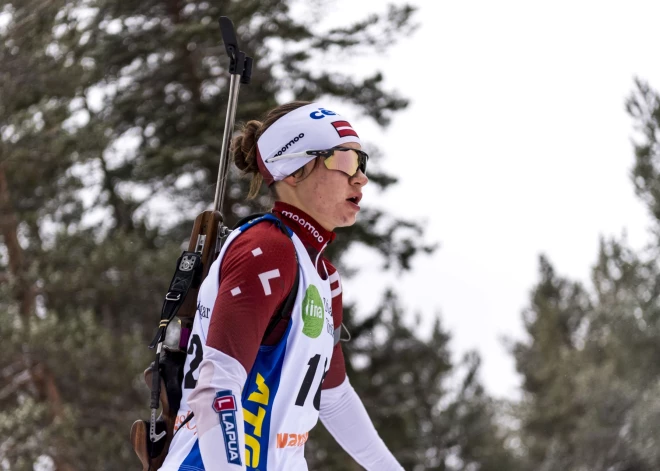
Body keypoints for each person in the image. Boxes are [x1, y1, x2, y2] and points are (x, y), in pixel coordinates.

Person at [159, 101, 403, 470]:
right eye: (345, 161)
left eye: (362, 162)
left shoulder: (322, 274)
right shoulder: (267, 250)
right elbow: (216, 388)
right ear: (294, 170)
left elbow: (334, 399)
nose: (361, 177)